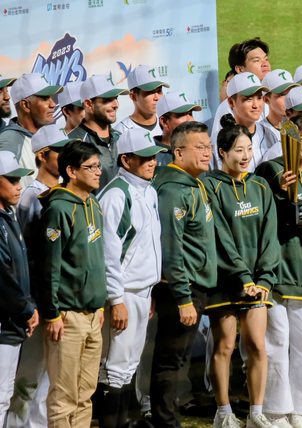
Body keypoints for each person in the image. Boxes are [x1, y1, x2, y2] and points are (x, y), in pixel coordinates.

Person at [203, 114, 279, 428]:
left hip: (257, 283)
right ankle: (223, 412)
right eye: (238, 150)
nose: (245, 155)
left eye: (249, 149)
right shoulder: (209, 186)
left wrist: (263, 278)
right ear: (222, 152)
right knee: (224, 346)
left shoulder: (260, 185)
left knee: (257, 345)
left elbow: (270, 236)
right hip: (224, 281)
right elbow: (218, 234)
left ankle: (256, 412)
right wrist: (242, 276)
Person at [255, 115, 302, 428]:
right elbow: (260, 211)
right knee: (277, 339)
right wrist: (280, 194)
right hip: (273, 267)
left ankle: (299, 407)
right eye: (300, 139)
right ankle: (275, 409)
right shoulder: (270, 171)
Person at [96, 128, 166, 427]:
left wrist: (150, 291)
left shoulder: (148, 190)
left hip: (142, 290)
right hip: (123, 292)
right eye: (145, 157)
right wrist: (116, 300)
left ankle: (123, 422)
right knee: (115, 365)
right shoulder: (116, 195)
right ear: (126, 160)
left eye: (154, 156)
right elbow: (108, 255)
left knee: (129, 364)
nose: (152, 162)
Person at [150, 121, 218, 427]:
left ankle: (167, 418)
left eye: (208, 146)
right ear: (178, 153)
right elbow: (171, 249)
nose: (207, 153)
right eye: (199, 147)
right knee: (170, 359)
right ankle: (165, 421)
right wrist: (182, 297)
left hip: (195, 284)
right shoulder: (173, 191)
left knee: (177, 358)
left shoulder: (194, 183)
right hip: (182, 287)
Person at [9, 126, 76, 428]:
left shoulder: (66, 194)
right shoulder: (30, 196)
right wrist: (34, 301)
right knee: (29, 378)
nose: (65, 156)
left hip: (59, 297)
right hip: (38, 297)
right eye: (59, 151)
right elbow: (26, 255)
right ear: (42, 155)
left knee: (52, 377)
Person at [39, 140, 107, 427]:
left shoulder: (93, 204)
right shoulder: (58, 209)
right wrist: (52, 313)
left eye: (99, 166)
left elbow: (97, 260)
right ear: (71, 171)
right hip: (67, 317)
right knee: (64, 397)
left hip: (93, 315)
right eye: (91, 167)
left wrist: (100, 305)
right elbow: (49, 266)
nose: (98, 172)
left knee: (85, 394)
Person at [0, 151, 37, 425]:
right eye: (11, 180)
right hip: (4, 322)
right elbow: (2, 278)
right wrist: (26, 309)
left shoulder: (8, 215)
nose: (19, 186)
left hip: (12, 321)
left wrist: (27, 307)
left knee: (4, 395)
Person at [68, 74, 130, 189]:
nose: (116, 105)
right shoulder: (72, 142)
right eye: (107, 100)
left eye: (116, 98)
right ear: (89, 104)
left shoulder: (122, 137)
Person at [0, 73, 61, 187]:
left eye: (51, 98)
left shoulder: (54, 136)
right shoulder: (9, 140)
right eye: (45, 98)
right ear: (25, 105)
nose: (53, 104)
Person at [212, 38, 272, 138]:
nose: (265, 64)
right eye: (256, 60)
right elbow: (221, 143)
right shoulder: (228, 106)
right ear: (240, 69)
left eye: (266, 59)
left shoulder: (273, 94)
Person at [213, 72, 270, 170]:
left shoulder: (271, 133)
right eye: (249, 99)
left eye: (259, 98)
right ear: (231, 102)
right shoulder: (219, 140)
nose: (256, 105)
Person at [114, 65, 169, 136]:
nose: (157, 98)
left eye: (159, 91)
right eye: (150, 92)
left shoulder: (168, 124)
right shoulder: (120, 132)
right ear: (133, 96)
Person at [155, 92, 203, 166]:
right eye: (182, 115)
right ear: (164, 122)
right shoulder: (151, 156)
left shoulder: (201, 151)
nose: (190, 119)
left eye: (190, 114)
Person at [261, 69, 299, 143]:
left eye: (291, 92)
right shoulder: (260, 132)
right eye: (282, 94)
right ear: (266, 99)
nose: (288, 98)